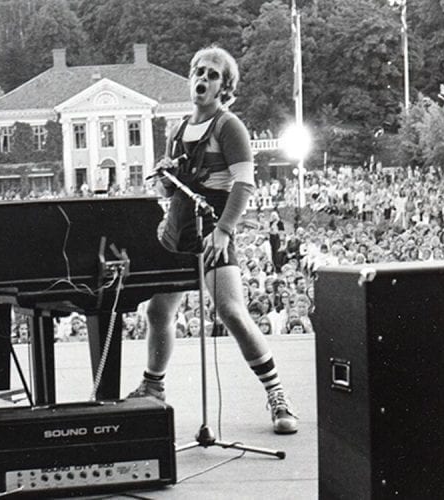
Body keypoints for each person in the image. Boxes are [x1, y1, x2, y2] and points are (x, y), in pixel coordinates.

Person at [128, 46, 298, 435]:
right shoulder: (177, 130)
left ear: (225, 87)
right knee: (158, 312)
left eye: (212, 74)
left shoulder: (229, 126)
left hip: (212, 232)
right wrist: (166, 178)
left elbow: (244, 184)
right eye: (197, 71)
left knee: (232, 312)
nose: (201, 79)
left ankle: (277, 395)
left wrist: (224, 231)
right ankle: (153, 385)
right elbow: (174, 195)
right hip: (177, 232)